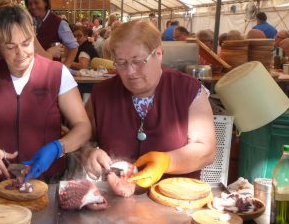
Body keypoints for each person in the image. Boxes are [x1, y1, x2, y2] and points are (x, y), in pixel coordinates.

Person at [0, 0, 91, 181]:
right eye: (10, 47)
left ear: (34, 36)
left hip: (47, 178)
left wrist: (59, 147)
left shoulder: (56, 73)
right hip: (0, 179)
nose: (21, 53)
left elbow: (83, 127)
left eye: (26, 43)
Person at [81, 20, 215, 188]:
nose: (130, 72)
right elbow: (81, 137)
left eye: (137, 61)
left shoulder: (189, 90)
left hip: (177, 198)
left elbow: (206, 149)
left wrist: (167, 161)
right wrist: (88, 152)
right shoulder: (101, 95)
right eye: (121, 63)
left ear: (158, 54)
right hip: (117, 198)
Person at [24, 0, 78, 68]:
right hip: (32, 68)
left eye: (36, 3)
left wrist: (65, 67)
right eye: (30, 4)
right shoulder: (28, 22)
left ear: (45, 2)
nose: (33, 7)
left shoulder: (59, 23)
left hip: (51, 70)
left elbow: (74, 47)